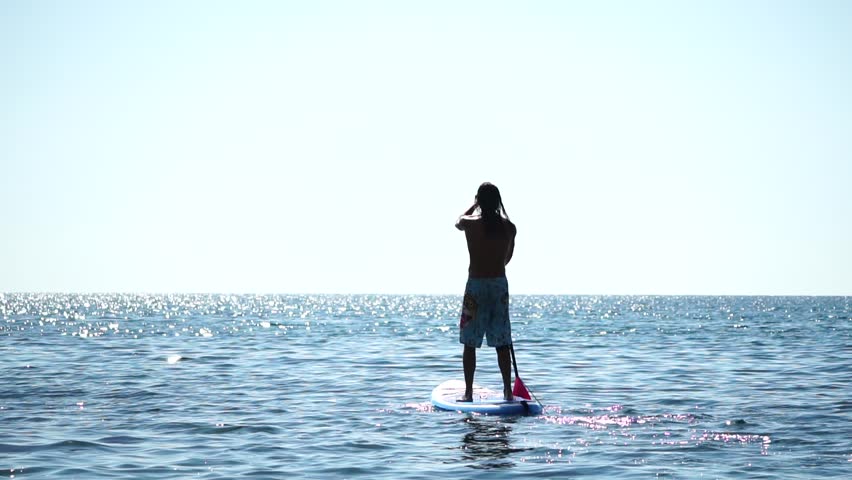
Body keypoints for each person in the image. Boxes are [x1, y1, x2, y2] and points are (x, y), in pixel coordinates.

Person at [455, 182, 517, 402]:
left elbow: (457, 222)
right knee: (502, 341)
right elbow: (507, 259)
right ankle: (508, 391)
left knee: (469, 342)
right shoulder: (509, 227)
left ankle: (469, 392)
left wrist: (474, 205)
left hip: (476, 287)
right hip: (499, 285)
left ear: (479, 200)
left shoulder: (470, 224)